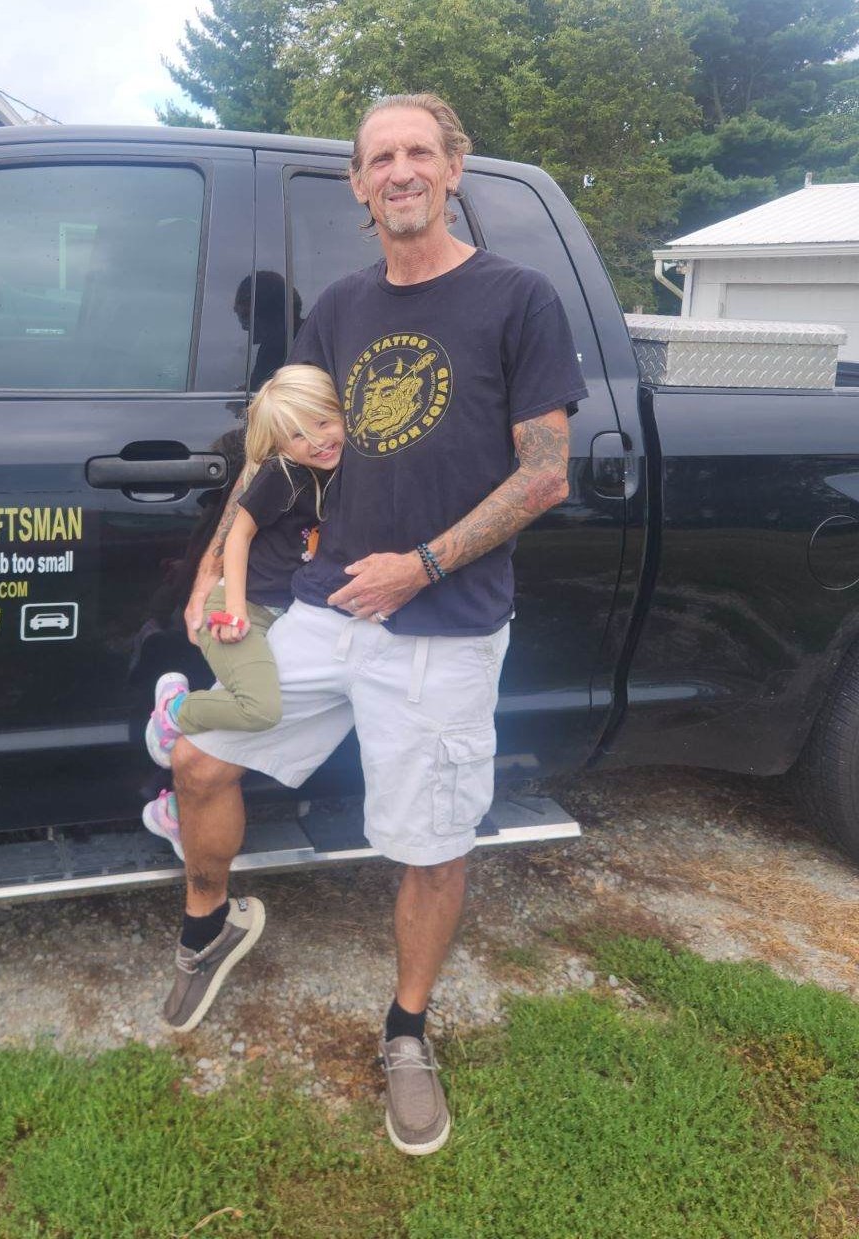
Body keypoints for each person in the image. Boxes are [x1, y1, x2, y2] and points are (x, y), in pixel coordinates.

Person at [161, 93, 588, 1157]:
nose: (398, 171)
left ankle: (406, 1031)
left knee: (428, 846)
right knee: (200, 755)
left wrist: (425, 564)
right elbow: (281, 452)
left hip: (444, 625)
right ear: (357, 186)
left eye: (416, 153)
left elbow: (546, 475)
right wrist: (221, 563)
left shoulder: (517, 299)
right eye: (378, 159)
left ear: (452, 168)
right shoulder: (341, 310)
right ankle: (210, 927)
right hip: (327, 610)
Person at [141, 364, 344, 860]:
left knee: (257, 727)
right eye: (297, 435)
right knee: (260, 709)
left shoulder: (345, 471)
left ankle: (176, 811)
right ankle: (174, 711)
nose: (317, 441)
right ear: (278, 444)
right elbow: (238, 534)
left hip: (288, 615)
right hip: (244, 608)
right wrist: (233, 608)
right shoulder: (283, 475)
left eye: (323, 422)